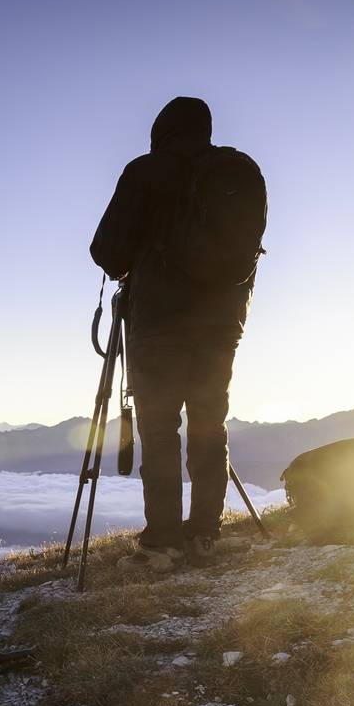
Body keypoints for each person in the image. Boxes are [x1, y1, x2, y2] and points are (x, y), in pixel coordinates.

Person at [90, 96, 262, 572]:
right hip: (223, 325)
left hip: (160, 326)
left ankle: (162, 545)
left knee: (161, 432)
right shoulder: (235, 172)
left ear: (160, 131)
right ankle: (205, 536)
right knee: (211, 426)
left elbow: (108, 252)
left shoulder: (146, 171)